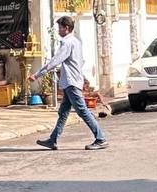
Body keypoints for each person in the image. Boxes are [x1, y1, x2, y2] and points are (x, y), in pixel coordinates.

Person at [29, 15, 108, 151]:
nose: (58, 30)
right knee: (63, 112)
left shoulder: (67, 43)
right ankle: (53, 140)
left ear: (66, 28)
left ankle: (101, 138)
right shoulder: (76, 41)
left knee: (82, 111)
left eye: (60, 27)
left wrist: (37, 75)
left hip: (71, 82)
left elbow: (55, 61)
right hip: (71, 81)